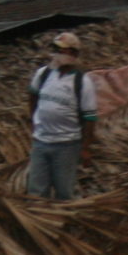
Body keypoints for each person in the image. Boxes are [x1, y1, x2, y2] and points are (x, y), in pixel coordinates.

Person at [22, 30, 98, 199]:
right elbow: (33, 96)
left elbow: (90, 118)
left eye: (63, 50)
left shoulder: (82, 82)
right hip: (41, 142)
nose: (58, 54)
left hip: (67, 145)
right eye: (56, 49)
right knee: (36, 190)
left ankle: (63, 222)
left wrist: (85, 148)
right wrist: (34, 120)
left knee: (64, 190)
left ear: (73, 53)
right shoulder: (44, 74)